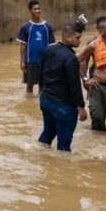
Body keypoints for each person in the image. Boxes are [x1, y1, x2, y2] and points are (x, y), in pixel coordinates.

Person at [37, 23, 89, 152]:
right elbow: (74, 85)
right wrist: (81, 107)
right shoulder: (71, 58)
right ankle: (63, 168)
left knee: (47, 134)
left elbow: (41, 73)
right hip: (63, 106)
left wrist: (42, 92)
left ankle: (41, 158)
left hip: (46, 101)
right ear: (67, 37)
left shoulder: (48, 50)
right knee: (64, 146)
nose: (80, 40)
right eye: (77, 37)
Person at [17, 0, 55, 94]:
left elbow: (51, 47)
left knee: (42, 88)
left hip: (44, 62)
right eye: (35, 9)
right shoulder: (25, 27)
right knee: (29, 88)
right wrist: (22, 62)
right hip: (30, 61)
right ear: (30, 11)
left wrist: (51, 62)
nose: (38, 11)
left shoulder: (48, 26)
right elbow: (23, 45)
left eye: (39, 8)